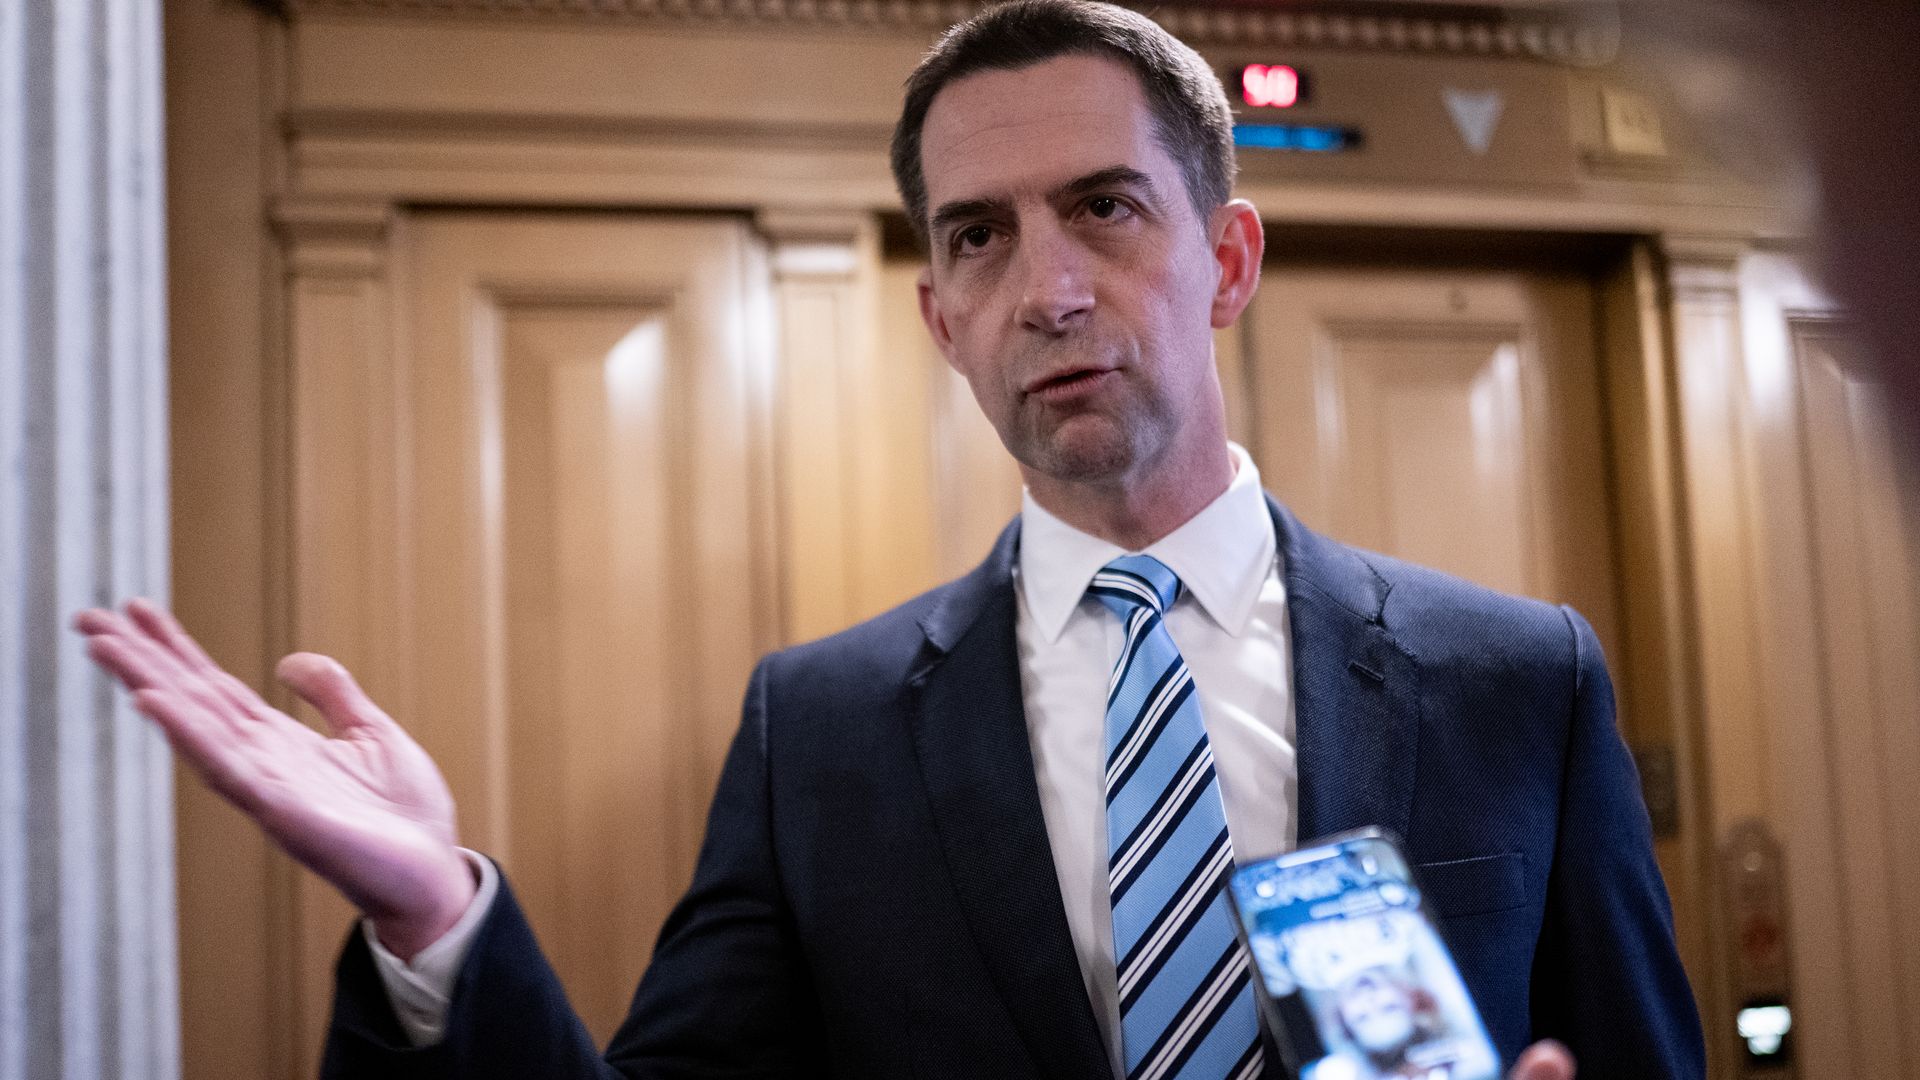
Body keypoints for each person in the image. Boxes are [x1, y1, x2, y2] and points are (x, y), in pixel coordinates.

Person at [74, 2, 1703, 1077]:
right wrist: (437, 917)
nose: (1046, 288)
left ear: (1227, 254)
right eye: (980, 238)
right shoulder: (821, 735)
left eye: (1105, 209)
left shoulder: (1515, 682)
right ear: (941, 317)